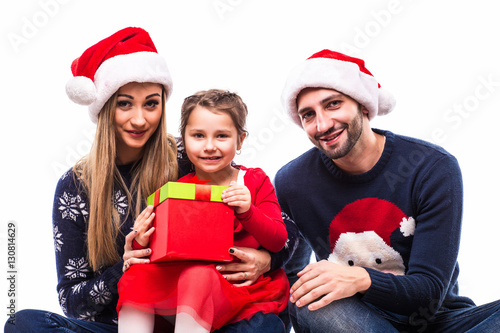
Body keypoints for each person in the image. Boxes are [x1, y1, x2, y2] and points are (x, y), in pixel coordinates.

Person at [4, 27, 292, 333]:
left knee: (260, 326)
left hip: (203, 315)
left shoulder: (190, 153)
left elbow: (284, 229)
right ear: (104, 108)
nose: (140, 119)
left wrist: (264, 260)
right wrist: (125, 266)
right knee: (25, 324)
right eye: (125, 103)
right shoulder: (75, 187)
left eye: (151, 103)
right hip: (129, 321)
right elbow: (73, 302)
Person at [274, 49, 500, 332]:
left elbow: (429, 290)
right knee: (310, 302)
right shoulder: (293, 182)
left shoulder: (431, 167)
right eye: (308, 115)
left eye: (333, 104)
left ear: (363, 106)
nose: (322, 124)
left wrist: (359, 278)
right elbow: (290, 278)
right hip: (353, 319)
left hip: (441, 320)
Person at [116, 89, 289, 333]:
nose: (209, 146)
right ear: (184, 140)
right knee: (136, 276)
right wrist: (142, 241)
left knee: (198, 275)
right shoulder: (178, 190)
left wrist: (248, 211)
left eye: (221, 136)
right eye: (198, 135)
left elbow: (278, 240)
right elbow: (163, 251)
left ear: (240, 141)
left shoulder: (254, 180)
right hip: (190, 293)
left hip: (240, 289)